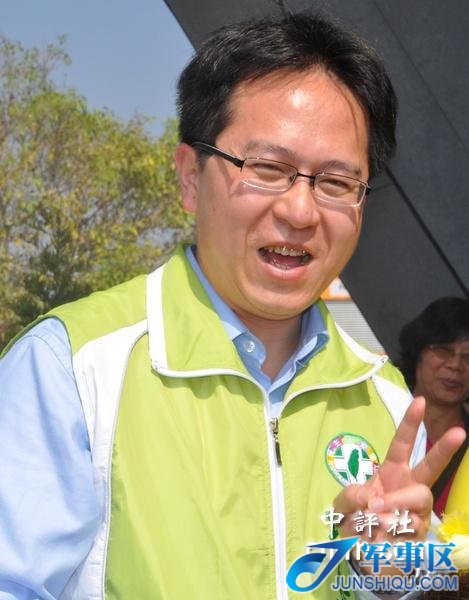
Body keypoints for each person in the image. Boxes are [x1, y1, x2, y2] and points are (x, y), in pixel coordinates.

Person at [0, 12, 465, 600]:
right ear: (190, 177)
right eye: (268, 169)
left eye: (336, 182)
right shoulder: (71, 368)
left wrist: (383, 579)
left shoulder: (388, 401)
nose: (301, 211)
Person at [398, 297, 469, 518]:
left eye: (468, 357)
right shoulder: (382, 421)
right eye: (443, 351)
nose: (455, 365)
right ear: (418, 352)